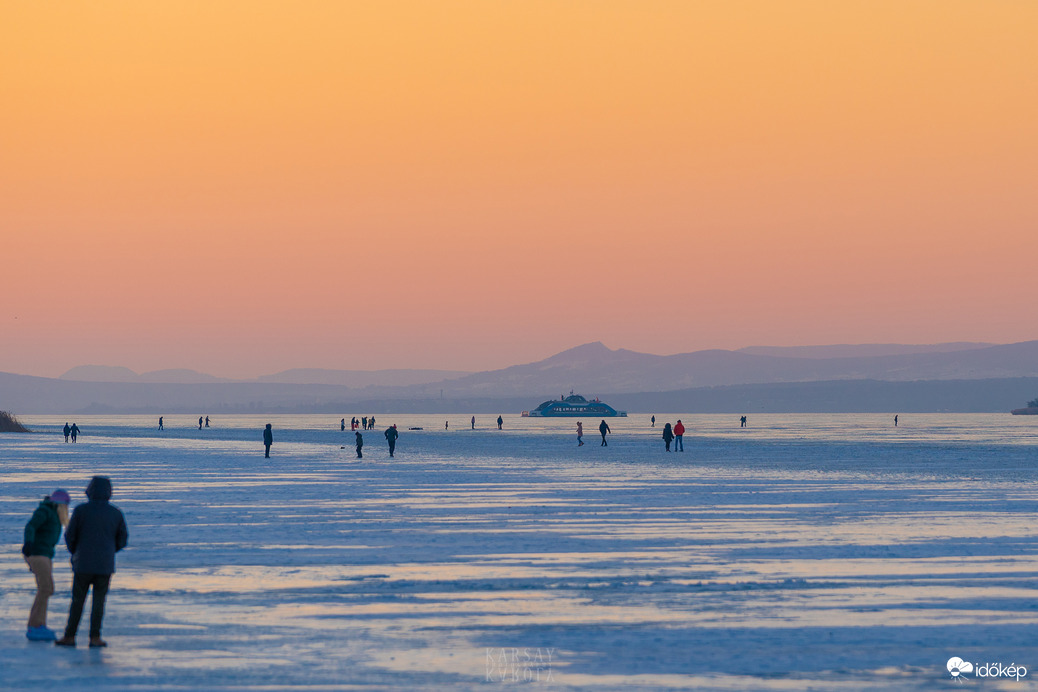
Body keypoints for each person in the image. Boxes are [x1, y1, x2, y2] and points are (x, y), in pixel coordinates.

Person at [55, 477, 128, 648]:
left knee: (77, 601)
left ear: (89, 491)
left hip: (83, 564)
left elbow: (70, 535)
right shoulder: (115, 513)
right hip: (105, 565)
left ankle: (70, 636)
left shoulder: (81, 511)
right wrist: (109, 551)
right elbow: (123, 539)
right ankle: (95, 637)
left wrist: (76, 552)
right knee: (99, 602)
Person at [23, 489, 71, 641]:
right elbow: (30, 526)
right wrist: (29, 544)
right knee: (46, 588)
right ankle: (36, 626)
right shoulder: (45, 511)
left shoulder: (54, 515)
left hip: (45, 555)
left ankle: (37, 624)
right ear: (59, 504)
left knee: (45, 589)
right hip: (38, 554)